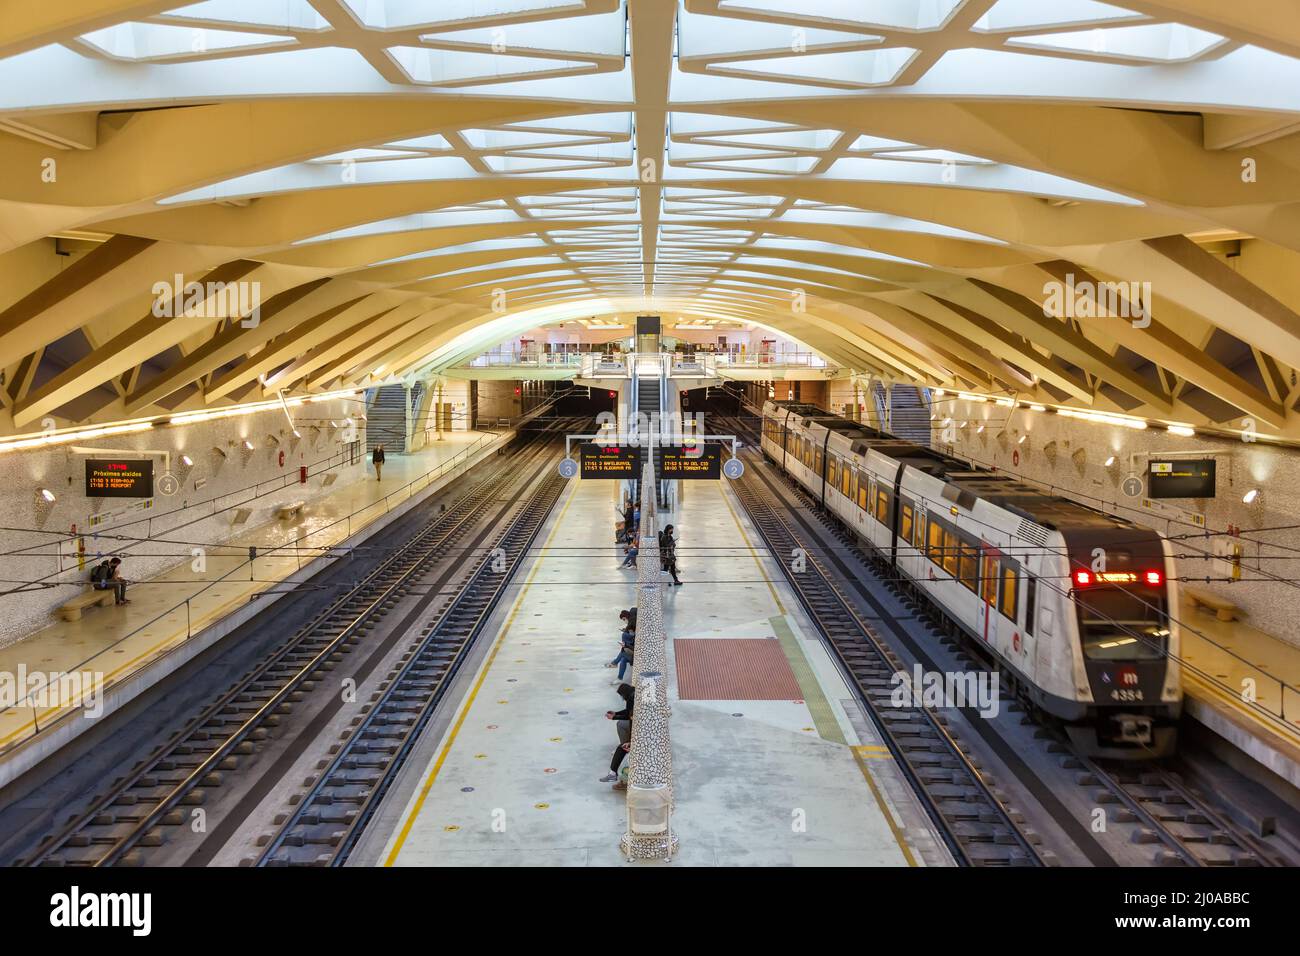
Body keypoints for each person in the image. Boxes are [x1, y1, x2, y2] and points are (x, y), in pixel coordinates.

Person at [600, 683, 635, 783]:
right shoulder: (633, 695)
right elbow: (629, 713)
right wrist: (616, 714)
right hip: (639, 736)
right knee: (622, 746)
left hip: (640, 740)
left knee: (621, 748)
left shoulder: (632, 699)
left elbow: (629, 716)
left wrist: (614, 717)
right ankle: (613, 774)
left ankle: (613, 774)